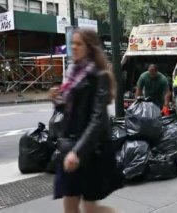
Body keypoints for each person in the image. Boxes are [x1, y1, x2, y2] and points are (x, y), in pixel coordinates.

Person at [50, 28, 122, 213]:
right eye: (72, 43)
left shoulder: (99, 76)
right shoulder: (72, 73)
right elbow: (71, 112)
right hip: (71, 145)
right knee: (70, 205)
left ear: (89, 47)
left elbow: (97, 119)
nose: (74, 47)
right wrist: (57, 100)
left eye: (79, 44)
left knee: (90, 208)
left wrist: (77, 152)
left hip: (91, 150)